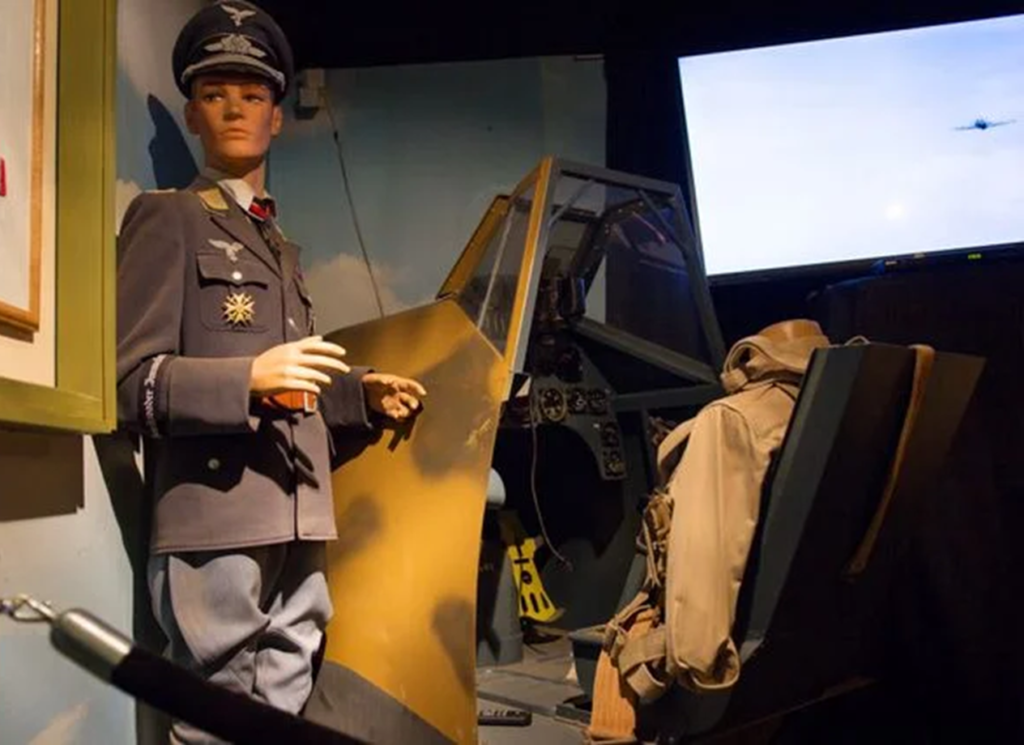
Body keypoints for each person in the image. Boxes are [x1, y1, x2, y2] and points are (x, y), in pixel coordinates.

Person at [115, 2, 426, 742]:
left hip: (298, 508)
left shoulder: (277, 244)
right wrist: (246, 378)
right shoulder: (170, 219)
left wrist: (359, 393)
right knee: (217, 710)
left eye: (254, 96)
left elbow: (290, 378)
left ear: (276, 119)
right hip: (216, 513)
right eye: (216, 94)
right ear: (192, 113)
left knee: (283, 693)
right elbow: (133, 383)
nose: (235, 109)